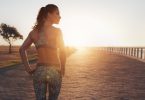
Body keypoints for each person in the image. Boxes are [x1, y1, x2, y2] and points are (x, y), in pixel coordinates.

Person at [19, 4, 66, 100]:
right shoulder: (57, 32)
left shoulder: (34, 32)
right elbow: (63, 51)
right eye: (57, 13)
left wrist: (28, 69)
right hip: (55, 70)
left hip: (39, 71)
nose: (60, 16)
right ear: (49, 14)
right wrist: (63, 68)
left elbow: (22, 49)